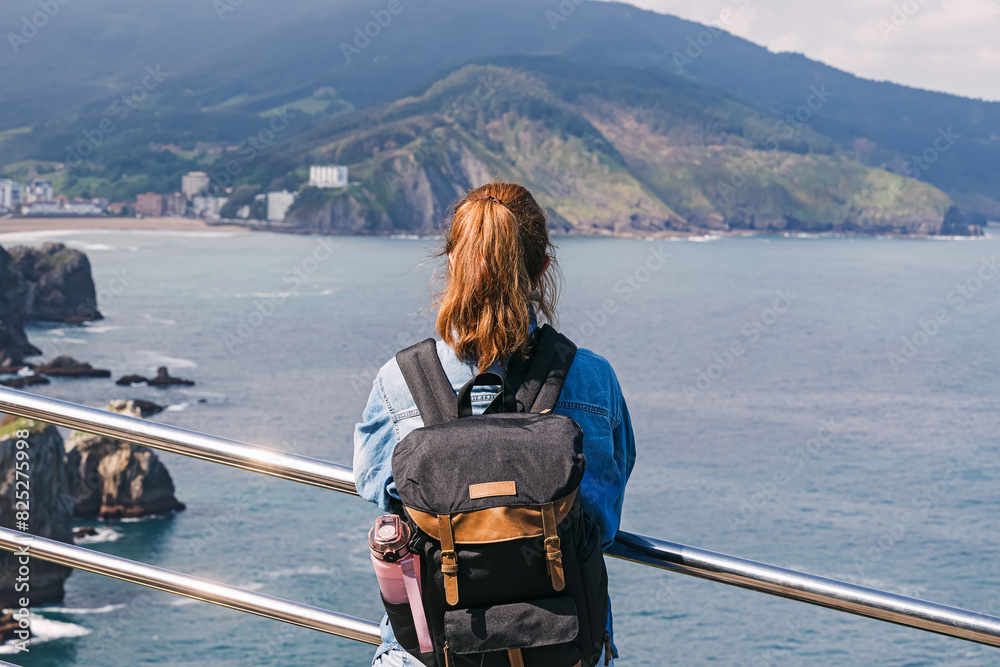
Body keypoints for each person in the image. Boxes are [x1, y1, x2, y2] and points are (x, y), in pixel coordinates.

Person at [354, 181, 636, 666]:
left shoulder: (399, 381)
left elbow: (378, 489)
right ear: (543, 267)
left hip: (432, 650)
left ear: (451, 264)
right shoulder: (593, 379)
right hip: (563, 643)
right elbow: (603, 515)